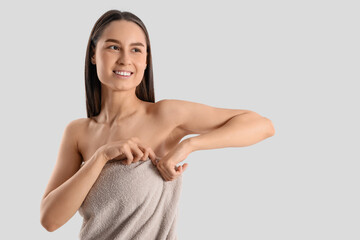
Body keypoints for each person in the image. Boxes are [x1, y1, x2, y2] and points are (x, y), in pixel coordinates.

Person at [40, 9, 275, 239]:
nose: (125, 59)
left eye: (136, 50)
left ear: (145, 60)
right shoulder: (78, 131)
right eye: (113, 47)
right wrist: (100, 156)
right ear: (93, 55)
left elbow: (261, 125)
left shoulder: (165, 114)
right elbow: (50, 220)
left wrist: (188, 146)